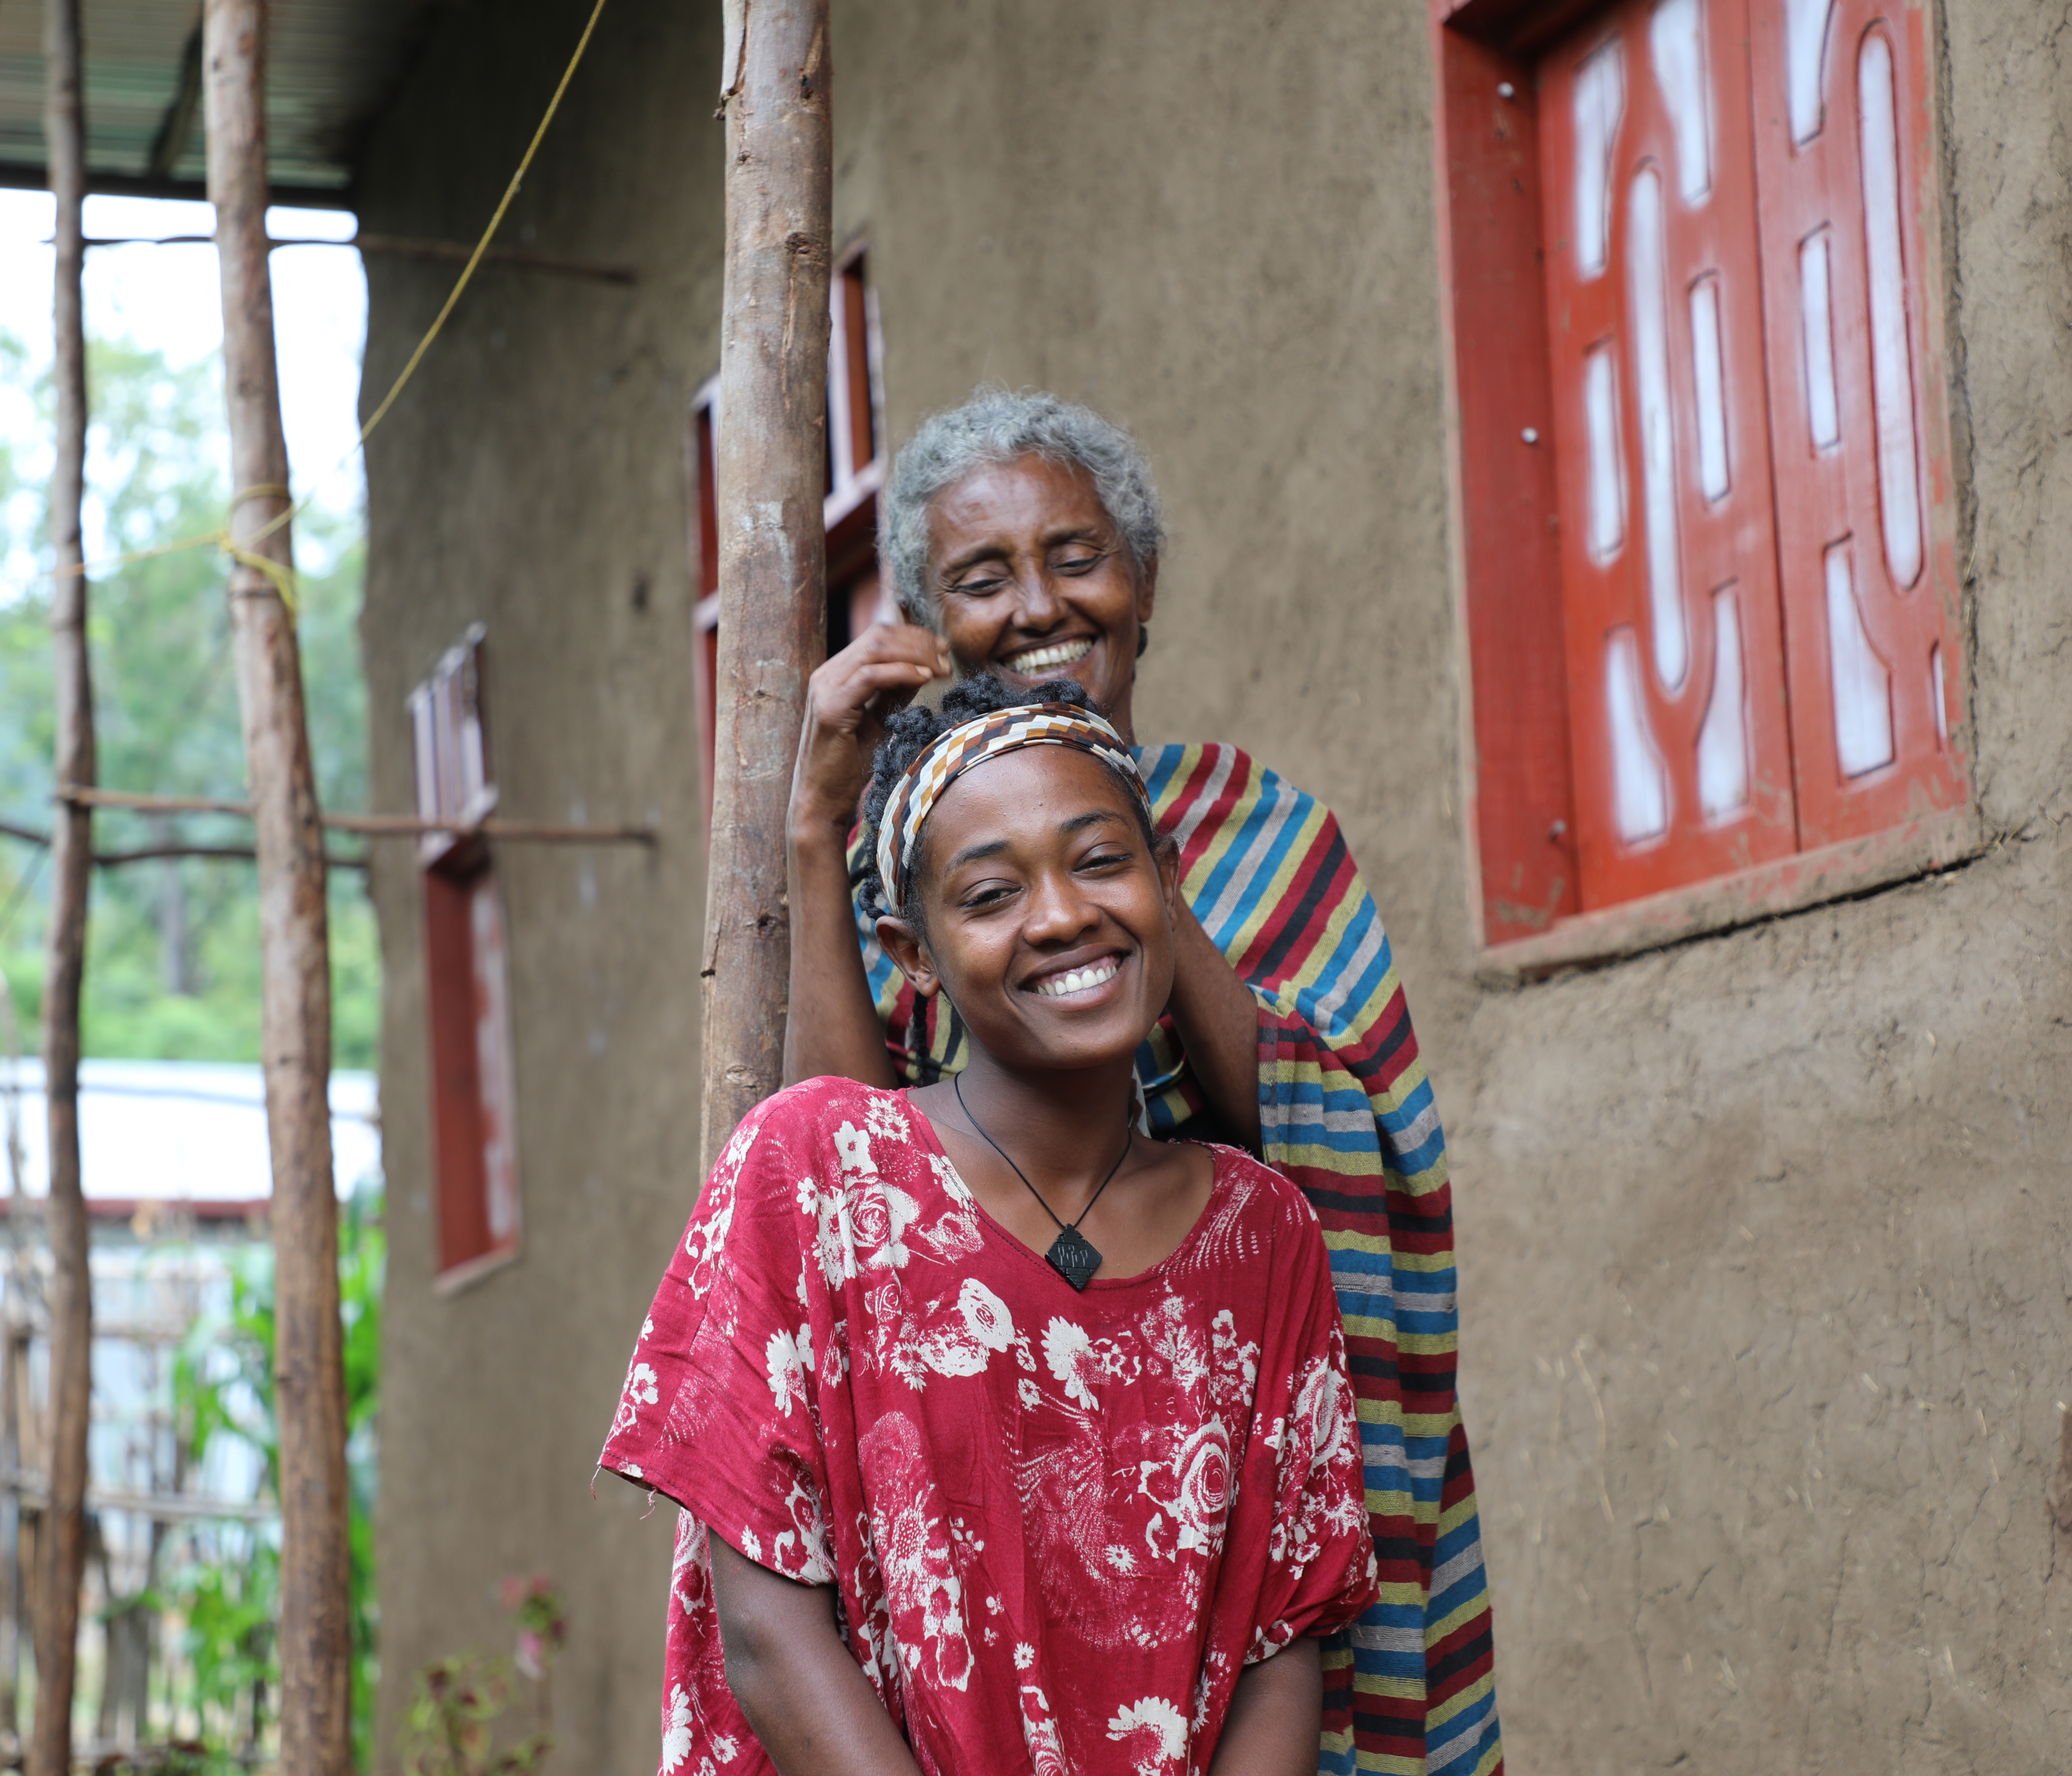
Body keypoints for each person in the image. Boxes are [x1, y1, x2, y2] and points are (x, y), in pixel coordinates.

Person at [782, 391, 1500, 1776]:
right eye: (982, 581)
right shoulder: (928, 884)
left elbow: (1346, 1145)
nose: (1042, 606)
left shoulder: (1263, 831)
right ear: (931, 628)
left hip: (1254, 1504)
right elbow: (848, 1174)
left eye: (1077, 556)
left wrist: (1124, 861)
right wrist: (823, 835)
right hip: (1008, 1527)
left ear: (1144, 581)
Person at [602, 680, 1376, 1776]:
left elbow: (1282, 1644)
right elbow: (771, 1641)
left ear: (1167, 882)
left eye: (1101, 860)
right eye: (992, 892)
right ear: (913, 953)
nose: (1061, 915)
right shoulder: (815, 1171)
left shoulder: (1264, 1233)